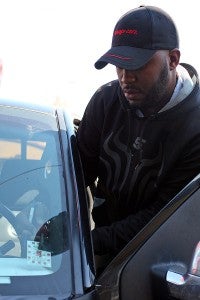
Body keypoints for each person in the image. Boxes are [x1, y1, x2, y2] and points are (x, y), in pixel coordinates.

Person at [76, 5, 200, 260]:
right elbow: (78, 174)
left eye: (137, 65)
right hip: (98, 246)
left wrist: (87, 241)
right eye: (119, 65)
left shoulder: (195, 127)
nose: (125, 77)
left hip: (159, 257)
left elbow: (163, 214)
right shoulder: (105, 100)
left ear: (173, 59)